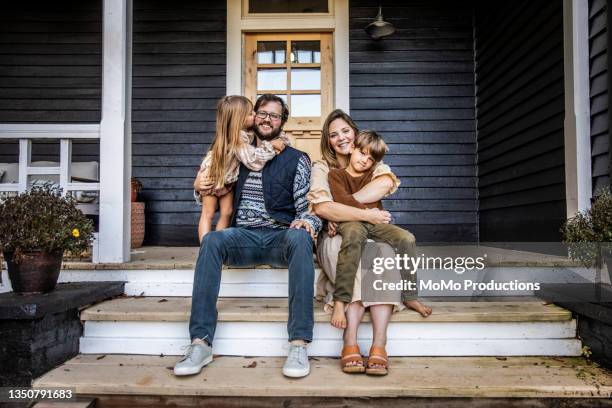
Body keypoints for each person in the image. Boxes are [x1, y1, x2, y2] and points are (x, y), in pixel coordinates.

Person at [174, 94, 321, 379]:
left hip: (282, 237)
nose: (267, 119)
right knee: (213, 241)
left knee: (302, 238)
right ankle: (200, 343)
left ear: (283, 121)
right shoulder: (236, 151)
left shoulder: (298, 159)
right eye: (262, 113)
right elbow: (212, 181)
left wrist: (307, 222)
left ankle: (299, 343)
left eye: (274, 115)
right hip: (243, 237)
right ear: (253, 116)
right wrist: (198, 184)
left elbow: (308, 207)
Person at [308, 109, 432, 376]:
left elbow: (384, 183)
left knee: (383, 253)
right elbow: (322, 208)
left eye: (345, 131)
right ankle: (349, 339)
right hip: (335, 235)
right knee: (348, 249)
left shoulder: (373, 160)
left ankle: (379, 343)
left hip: (371, 229)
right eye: (333, 134)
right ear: (328, 141)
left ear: (355, 134)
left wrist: (339, 209)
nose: (340, 138)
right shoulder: (323, 168)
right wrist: (363, 214)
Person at [327, 129, 419, 333]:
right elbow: (340, 201)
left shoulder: (373, 176)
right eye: (362, 153)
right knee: (352, 237)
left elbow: (360, 197)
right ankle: (341, 301)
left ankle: (411, 296)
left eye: (370, 158)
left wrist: (358, 209)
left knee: (407, 238)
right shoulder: (336, 175)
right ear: (352, 149)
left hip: (375, 223)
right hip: (350, 222)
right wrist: (364, 211)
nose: (364, 160)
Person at [195, 95, 289, 241]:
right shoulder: (237, 139)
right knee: (208, 213)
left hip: (228, 179)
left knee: (227, 212)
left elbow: (271, 134)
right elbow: (253, 161)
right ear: (240, 119)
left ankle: (217, 246)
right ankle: (206, 248)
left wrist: (280, 138)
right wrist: (271, 146)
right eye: (251, 113)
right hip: (212, 176)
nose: (255, 115)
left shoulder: (246, 134)